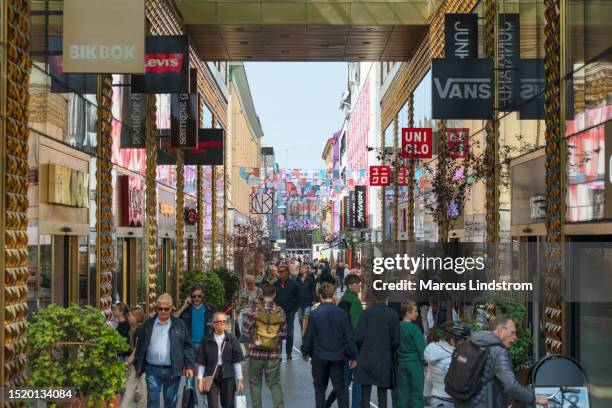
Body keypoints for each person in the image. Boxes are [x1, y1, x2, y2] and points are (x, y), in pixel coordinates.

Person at [456, 316, 549, 408]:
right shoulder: (498, 351)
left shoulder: (471, 343)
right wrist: (534, 399)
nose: (515, 338)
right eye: (512, 333)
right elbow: (510, 385)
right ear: (500, 331)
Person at [134, 293, 195, 408]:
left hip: (172, 370)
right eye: (160, 308)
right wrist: (138, 365)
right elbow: (140, 346)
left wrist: (190, 366)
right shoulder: (148, 324)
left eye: (166, 309)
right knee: (153, 401)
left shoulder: (179, 325)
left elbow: (188, 346)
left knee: (170, 401)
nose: (162, 311)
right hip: (152, 369)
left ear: (171, 308)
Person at [301, 283, 357, 408]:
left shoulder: (315, 314)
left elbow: (308, 335)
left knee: (320, 390)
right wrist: (352, 356)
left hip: (319, 357)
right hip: (337, 357)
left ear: (320, 296)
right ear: (333, 296)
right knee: (341, 389)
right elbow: (349, 337)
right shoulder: (342, 313)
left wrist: (305, 352)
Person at [242, 284, 288, 408]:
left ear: (262, 295)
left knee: (255, 383)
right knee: (274, 383)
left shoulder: (255, 310)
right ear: (275, 295)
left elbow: (245, 331)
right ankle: (279, 405)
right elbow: (283, 335)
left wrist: (255, 337)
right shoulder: (280, 312)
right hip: (273, 354)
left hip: (256, 354)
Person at [354, 291, 400, 408]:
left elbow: (358, 337)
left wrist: (362, 349)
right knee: (382, 393)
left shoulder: (366, 314)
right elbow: (396, 341)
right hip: (384, 358)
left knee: (365, 392)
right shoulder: (393, 315)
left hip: (366, 356)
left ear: (374, 297)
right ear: (387, 298)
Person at [326, 274, 364, 408]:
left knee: (344, 380)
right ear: (350, 285)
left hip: (343, 345)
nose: (359, 286)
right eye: (357, 283)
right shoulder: (355, 302)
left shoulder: (343, 299)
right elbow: (356, 326)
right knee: (358, 381)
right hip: (353, 345)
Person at [197, 312, 245, 408]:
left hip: (228, 374)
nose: (223, 323)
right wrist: (199, 379)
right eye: (220, 321)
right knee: (213, 405)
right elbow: (201, 361)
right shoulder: (206, 340)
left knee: (228, 404)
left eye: (225, 321)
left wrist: (240, 379)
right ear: (214, 324)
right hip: (211, 375)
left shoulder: (232, 339)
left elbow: (237, 361)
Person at [424, 321, 471, 408]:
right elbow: (461, 383)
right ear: (452, 341)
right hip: (448, 401)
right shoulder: (449, 359)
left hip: (436, 397)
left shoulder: (435, 352)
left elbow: (429, 379)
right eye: (463, 340)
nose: (465, 344)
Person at [397, 301, 426, 408]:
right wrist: (426, 364)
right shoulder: (415, 329)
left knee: (403, 394)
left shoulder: (397, 327)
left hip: (402, 363)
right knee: (417, 395)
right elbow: (421, 349)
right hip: (415, 363)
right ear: (408, 313)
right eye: (415, 311)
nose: (417, 313)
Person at [174, 284, 216, 351]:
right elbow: (173, 319)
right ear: (191, 296)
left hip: (205, 345)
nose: (197, 298)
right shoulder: (186, 308)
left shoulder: (210, 309)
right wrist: (184, 306)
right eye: (194, 296)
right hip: (189, 346)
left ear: (203, 295)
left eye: (199, 296)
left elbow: (216, 325)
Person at [121, 306, 147, 408]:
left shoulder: (140, 329)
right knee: (134, 392)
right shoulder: (136, 329)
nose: (128, 317)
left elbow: (137, 349)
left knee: (135, 392)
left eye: (130, 315)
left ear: (136, 317)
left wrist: (127, 362)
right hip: (138, 366)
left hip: (140, 366)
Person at [273, 264, 300, 360]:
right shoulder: (275, 284)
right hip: (278, 314)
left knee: (290, 333)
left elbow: (298, 298)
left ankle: (289, 353)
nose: (279, 273)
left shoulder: (294, 284)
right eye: (278, 271)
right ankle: (279, 354)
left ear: (287, 273)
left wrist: (294, 310)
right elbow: (272, 298)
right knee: (278, 334)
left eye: (281, 271)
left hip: (289, 313)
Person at [296, 264, 317, 333]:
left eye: (303, 268)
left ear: (307, 270)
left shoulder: (310, 279)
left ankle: (305, 331)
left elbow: (313, 289)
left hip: (308, 301)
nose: (301, 269)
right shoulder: (297, 278)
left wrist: (314, 299)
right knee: (300, 318)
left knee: (306, 317)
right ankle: (302, 328)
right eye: (301, 268)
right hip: (299, 301)